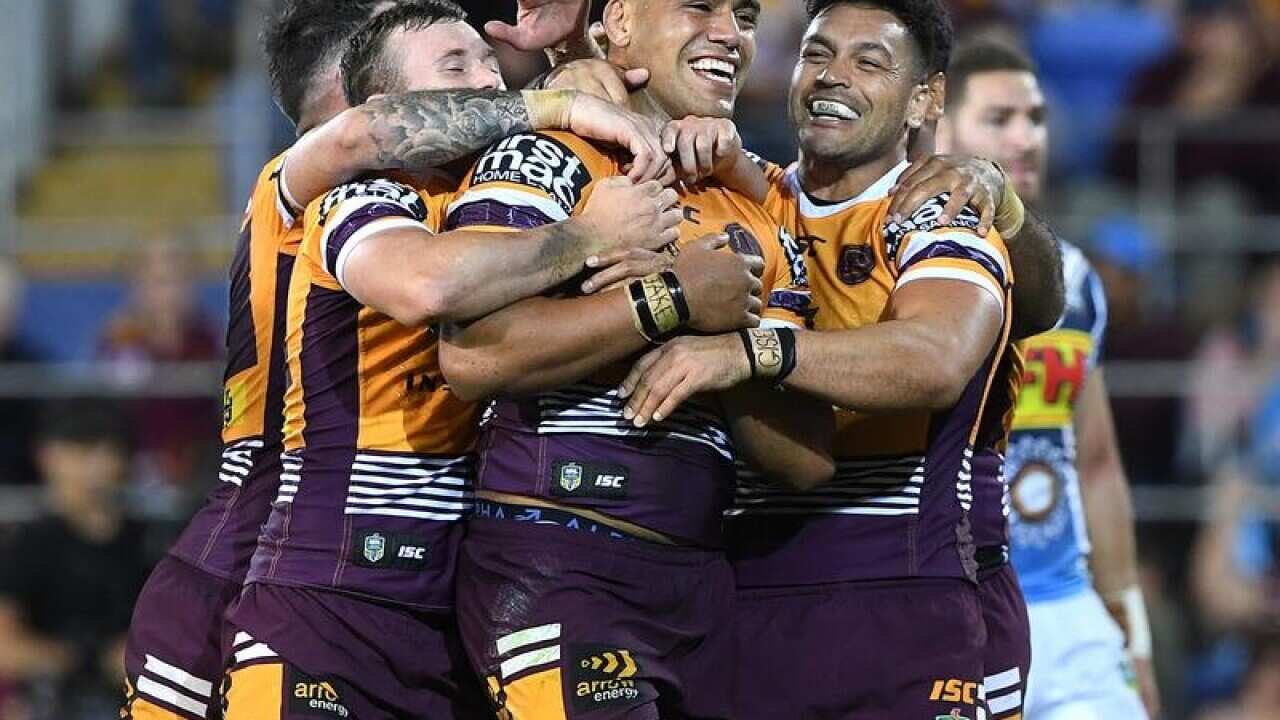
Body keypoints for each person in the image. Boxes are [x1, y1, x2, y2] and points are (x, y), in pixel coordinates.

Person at [123, 0, 674, 716]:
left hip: (412, 580)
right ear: (355, 93)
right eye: (454, 65)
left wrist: (574, 53)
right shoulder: (320, 183)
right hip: (269, 560)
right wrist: (581, 201)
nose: (488, 88)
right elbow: (423, 265)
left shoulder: (464, 201)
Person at [615, 0, 1029, 716]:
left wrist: (749, 352)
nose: (831, 78)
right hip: (738, 593)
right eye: (816, 55)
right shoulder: (752, 202)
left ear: (925, 97)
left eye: (869, 63)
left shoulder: (934, 209)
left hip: (904, 596)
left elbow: (934, 359)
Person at [436, 0, 830, 714]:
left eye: (743, 15)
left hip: (705, 586)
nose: (728, 34)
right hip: (558, 569)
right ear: (617, 20)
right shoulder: (549, 151)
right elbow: (471, 359)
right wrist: (669, 301)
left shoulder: (754, 201)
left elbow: (806, 460)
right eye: (697, 7)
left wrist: (730, 350)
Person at [938, 40, 1159, 719]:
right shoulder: (909, 268)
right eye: (998, 119)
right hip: (954, 608)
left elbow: (1095, 464)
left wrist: (1136, 636)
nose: (1025, 138)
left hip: (1067, 609)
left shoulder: (1077, 278)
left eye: (1035, 117)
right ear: (939, 126)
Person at [0, 401, 151, 720]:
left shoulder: (149, 542)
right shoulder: (28, 544)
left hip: (137, 696)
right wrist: (86, 659)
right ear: (47, 457)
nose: (90, 468)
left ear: (120, 460)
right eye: (77, 452)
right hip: (52, 699)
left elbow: (184, 634)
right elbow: (6, 649)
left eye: (99, 451)